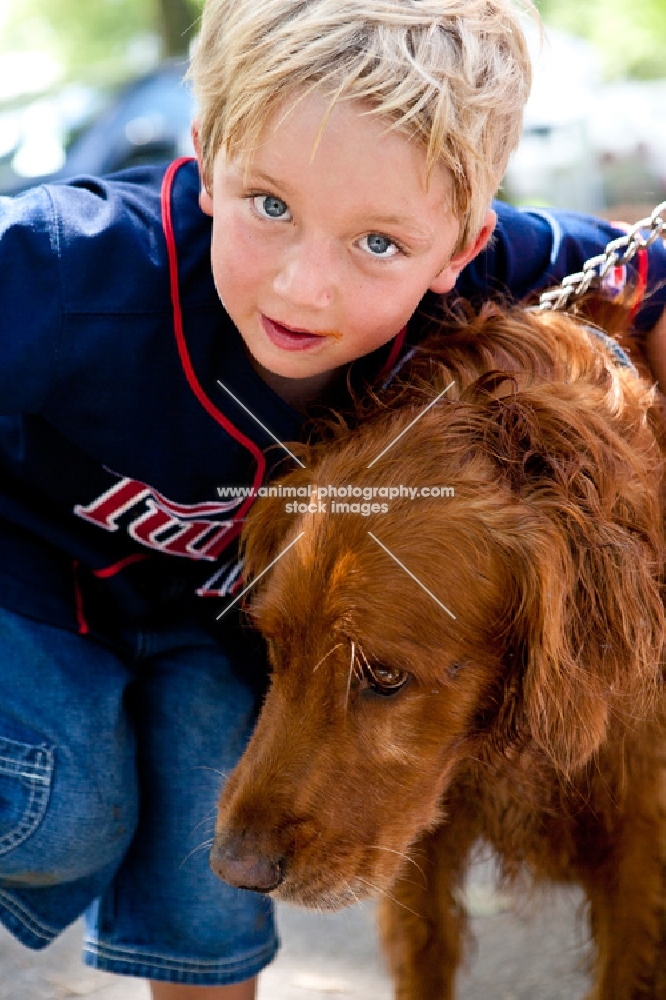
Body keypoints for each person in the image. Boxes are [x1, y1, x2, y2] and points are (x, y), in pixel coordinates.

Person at [0, 0, 664, 998]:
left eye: (379, 245)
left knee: (213, 850)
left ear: (460, 248)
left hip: (202, 625)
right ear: (207, 158)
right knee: (63, 802)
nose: (305, 289)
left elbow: (644, 271)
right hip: (36, 587)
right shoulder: (60, 267)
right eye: (269, 203)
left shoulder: (491, 262)